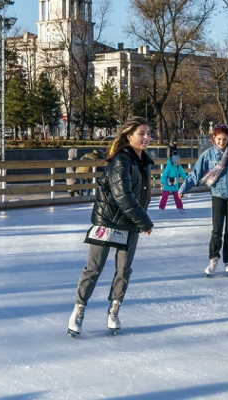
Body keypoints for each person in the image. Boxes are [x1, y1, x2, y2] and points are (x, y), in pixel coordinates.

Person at [67, 116, 154, 337]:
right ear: (129, 137)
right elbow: (122, 196)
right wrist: (144, 220)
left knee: (124, 270)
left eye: (148, 133)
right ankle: (79, 309)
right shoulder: (120, 161)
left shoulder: (144, 161)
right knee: (94, 268)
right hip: (108, 221)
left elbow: (142, 194)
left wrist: (138, 219)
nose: (146, 137)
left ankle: (114, 309)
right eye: (141, 133)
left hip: (130, 222)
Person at [178, 124, 228, 276]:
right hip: (217, 195)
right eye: (219, 139)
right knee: (216, 230)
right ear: (214, 138)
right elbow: (196, 173)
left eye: (225, 139)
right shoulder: (208, 155)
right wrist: (183, 188)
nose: (222, 142)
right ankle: (213, 258)